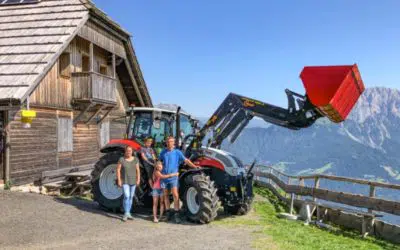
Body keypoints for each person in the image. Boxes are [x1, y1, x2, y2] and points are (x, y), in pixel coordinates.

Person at [159, 136, 199, 223]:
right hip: (164, 177)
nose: (170, 143)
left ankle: (177, 214)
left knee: (175, 195)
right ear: (166, 142)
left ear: (174, 143)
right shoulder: (163, 152)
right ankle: (168, 213)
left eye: (171, 142)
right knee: (165, 195)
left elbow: (186, 161)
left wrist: (195, 167)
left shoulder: (177, 152)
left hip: (173, 177)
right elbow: (159, 162)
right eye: (168, 142)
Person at [117, 145, 140, 222]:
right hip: (125, 181)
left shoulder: (135, 159)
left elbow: (138, 170)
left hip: (133, 180)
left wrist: (138, 179)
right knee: (127, 196)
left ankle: (128, 212)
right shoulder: (121, 159)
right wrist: (119, 180)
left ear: (132, 151)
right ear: (125, 151)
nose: (129, 152)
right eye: (127, 151)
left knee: (131, 197)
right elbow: (118, 170)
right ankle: (126, 213)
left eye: (130, 151)